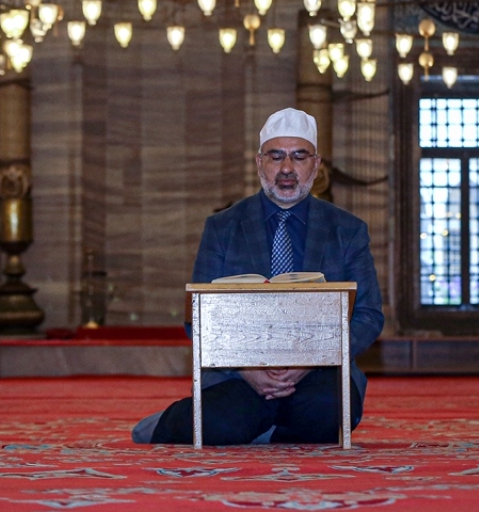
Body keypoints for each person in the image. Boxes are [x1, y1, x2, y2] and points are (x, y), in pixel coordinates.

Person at [133, 108, 384, 445]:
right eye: (276, 156)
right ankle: (189, 420)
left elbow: (368, 315)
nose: (286, 169)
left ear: (316, 164)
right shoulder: (222, 227)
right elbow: (198, 316)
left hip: (320, 373)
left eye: (299, 156)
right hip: (239, 374)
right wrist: (247, 371)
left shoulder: (347, 230)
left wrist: (309, 360)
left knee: (324, 411)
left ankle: (261, 423)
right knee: (223, 425)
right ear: (259, 162)